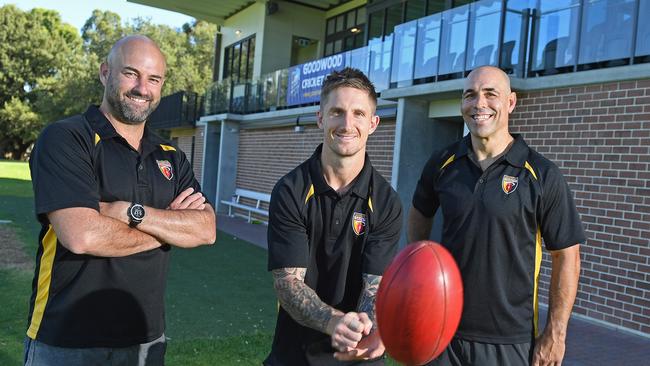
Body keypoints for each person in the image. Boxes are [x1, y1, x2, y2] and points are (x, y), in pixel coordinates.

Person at [25, 35, 216, 366]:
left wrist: (129, 212)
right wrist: (169, 229)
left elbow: (206, 229)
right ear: (104, 73)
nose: (143, 88)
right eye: (131, 73)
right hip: (67, 339)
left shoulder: (170, 155)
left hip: (146, 339)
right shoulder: (67, 138)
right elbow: (81, 235)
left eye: (154, 79)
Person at [408, 66, 584, 366]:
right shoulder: (442, 163)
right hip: (443, 331)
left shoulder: (541, 173)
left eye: (491, 94)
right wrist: (421, 269)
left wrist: (556, 332)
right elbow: (419, 214)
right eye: (470, 95)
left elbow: (567, 256)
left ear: (511, 102)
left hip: (510, 340)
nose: (479, 104)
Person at [264, 67, 403, 365]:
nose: (347, 124)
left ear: (374, 123)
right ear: (320, 118)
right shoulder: (290, 190)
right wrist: (333, 322)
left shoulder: (387, 201)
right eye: (337, 112)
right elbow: (288, 284)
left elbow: (374, 287)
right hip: (294, 356)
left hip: (357, 355)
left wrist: (368, 330)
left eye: (358, 114)